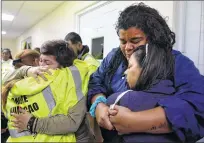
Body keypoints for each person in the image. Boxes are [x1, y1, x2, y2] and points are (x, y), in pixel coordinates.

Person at [88, 3, 204, 143]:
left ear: (154, 37)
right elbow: (97, 80)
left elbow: (197, 106)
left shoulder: (175, 62)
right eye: (122, 41)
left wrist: (133, 122)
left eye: (135, 40)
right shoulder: (114, 57)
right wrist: (99, 103)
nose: (127, 48)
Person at [2, 40, 95, 142]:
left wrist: (31, 123)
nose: (41, 66)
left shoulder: (72, 82)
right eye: (40, 60)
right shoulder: (36, 78)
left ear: (63, 67)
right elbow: (5, 80)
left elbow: (73, 121)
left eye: (47, 62)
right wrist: (27, 70)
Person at [104, 45, 179, 142]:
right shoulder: (181, 101)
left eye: (130, 66)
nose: (126, 72)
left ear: (147, 68)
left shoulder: (120, 100)